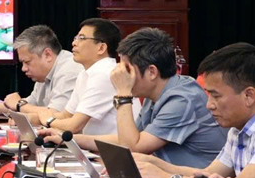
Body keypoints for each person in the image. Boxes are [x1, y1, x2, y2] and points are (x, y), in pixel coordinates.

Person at [72, 28, 225, 167]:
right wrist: (72, 139)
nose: (121, 74)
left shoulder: (182, 99)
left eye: (127, 69)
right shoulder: (155, 93)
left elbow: (131, 147)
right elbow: (129, 139)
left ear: (152, 72)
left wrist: (123, 92)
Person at [135, 42, 255, 178]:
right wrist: (153, 163)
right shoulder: (236, 131)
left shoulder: (182, 98)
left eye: (216, 96)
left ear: (249, 96)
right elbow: (208, 175)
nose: (209, 105)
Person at [32, 18, 120, 135]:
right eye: (76, 38)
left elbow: (74, 126)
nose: (74, 43)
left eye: (82, 38)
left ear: (101, 48)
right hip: (90, 144)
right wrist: (31, 118)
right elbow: (66, 115)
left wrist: (48, 120)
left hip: (109, 146)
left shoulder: (105, 74)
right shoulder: (85, 74)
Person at [0, 25, 81, 116]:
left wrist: (19, 104)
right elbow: (30, 105)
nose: (23, 68)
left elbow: (55, 115)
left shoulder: (69, 71)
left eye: (27, 62)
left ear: (47, 55)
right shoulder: (44, 74)